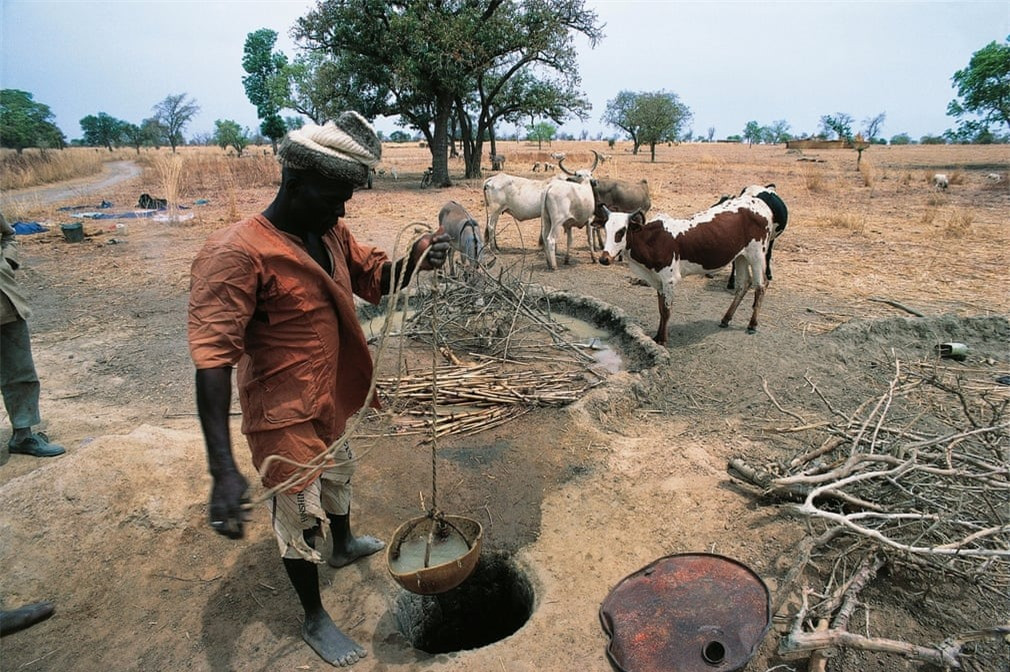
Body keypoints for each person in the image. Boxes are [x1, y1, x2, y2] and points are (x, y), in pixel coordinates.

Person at [187, 112, 449, 667]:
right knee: (298, 510)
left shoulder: (327, 230)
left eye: (348, 195)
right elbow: (212, 363)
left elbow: (377, 280)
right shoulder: (237, 253)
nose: (344, 207)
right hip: (283, 412)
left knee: (341, 471)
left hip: (331, 395)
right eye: (336, 194)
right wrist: (221, 470)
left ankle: (345, 543)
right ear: (295, 182)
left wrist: (419, 256)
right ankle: (313, 615)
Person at [1, 212, 66, 466]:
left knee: (20, 370)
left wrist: (7, 263)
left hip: (5, 302)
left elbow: (8, 235)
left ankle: (23, 434)